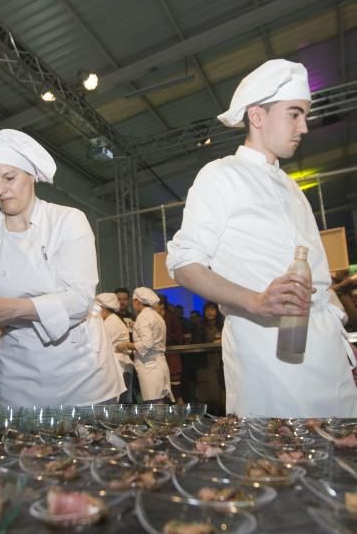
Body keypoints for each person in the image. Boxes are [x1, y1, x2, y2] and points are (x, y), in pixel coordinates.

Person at [167, 58, 357, 417]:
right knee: (278, 460)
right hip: (266, 350)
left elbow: (315, 270)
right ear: (257, 116)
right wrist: (255, 301)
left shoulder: (292, 187)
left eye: (305, 115)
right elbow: (184, 265)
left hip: (326, 350)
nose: (304, 126)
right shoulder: (221, 175)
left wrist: (333, 317)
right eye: (294, 114)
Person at [0, 129, 124, 408]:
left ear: (32, 176)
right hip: (17, 379)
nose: (0, 190)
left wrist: (13, 308)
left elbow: (79, 300)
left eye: (9, 178)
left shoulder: (68, 221)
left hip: (82, 374)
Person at [117, 287, 173, 403]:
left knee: (153, 405)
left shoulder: (143, 317)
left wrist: (125, 344)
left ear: (137, 301)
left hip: (149, 366)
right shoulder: (156, 316)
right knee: (159, 403)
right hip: (159, 364)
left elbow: (147, 344)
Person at [95, 292, 134, 403]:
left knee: (117, 405)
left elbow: (99, 346)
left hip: (119, 368)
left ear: (103, 308)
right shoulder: (111, 320)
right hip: (118, 367)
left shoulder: (111, 323)